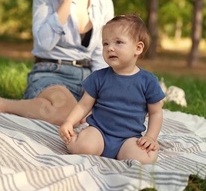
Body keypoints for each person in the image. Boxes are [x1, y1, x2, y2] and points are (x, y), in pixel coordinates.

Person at [58, 14, 165, 164]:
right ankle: (77, 139)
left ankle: (125, 153)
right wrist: (69, 122)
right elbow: (84, 105)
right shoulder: (99, 77)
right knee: (83, 146)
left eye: (118, 42)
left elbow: (156, 112)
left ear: (138, 48)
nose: (110, 48)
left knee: (145, 157)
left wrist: (150, 138)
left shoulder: (148, 81)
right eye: (105, 44)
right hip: (99, 132)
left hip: (128, 138)